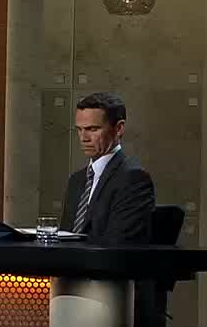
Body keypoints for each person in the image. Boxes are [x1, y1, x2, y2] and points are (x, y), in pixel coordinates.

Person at [58, 92, 155, 244]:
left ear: (119, 129)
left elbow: (119, 245)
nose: (84, 138)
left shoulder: (133, 179)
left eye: (93, 129)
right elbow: (65, 238)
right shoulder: (76, 180)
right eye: (79, 129)